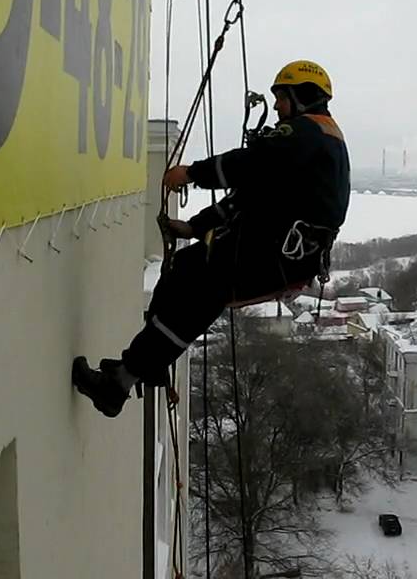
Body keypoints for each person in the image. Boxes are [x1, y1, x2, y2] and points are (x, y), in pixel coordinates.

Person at [72, 60, 350, 417]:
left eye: (282, 98)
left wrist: (191, 174)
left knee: (193, 297)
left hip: (275, 255)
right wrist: (194, 227)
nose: (278, 107)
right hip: (282, 256)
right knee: (185, 273)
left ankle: (124, 378)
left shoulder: (306, 133)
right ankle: (141, 365)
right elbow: (250, 196)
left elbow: (249, 166)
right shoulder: (316, 141)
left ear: (301, 96)